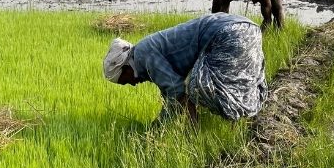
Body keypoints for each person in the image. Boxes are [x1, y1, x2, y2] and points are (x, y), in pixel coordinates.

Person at [103, 13, 267, 123]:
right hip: (248, 27)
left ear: (125, 68)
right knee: (239, 83)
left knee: (203, 86)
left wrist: (160, 125)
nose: (131, 84)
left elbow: (177, 91)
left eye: (124, 81)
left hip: (228, 33)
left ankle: (215, 129)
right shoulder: (144, 51)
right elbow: (172, 92)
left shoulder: (143, 56)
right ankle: (246, 124)